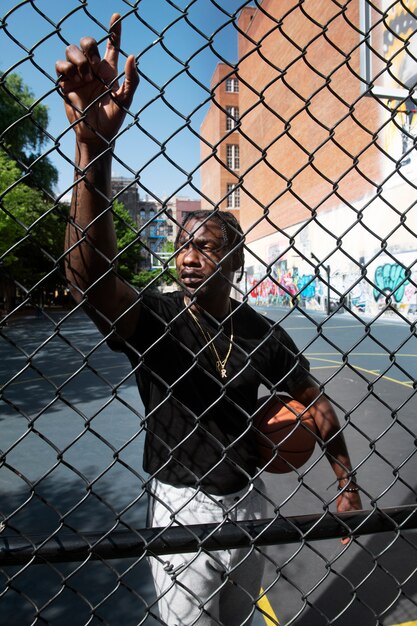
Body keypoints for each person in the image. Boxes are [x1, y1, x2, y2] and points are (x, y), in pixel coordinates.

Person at [56, 13, 362, 626]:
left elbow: (317, 403)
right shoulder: (157, 318)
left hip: (249, 499)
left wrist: (345, 481)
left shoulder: (260, 332)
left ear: (235, 261)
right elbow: (87, 278)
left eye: (206, 246)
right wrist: (95, 149)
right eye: (182, 245)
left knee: (241, 619)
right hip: (180, 503)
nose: (188, 256)